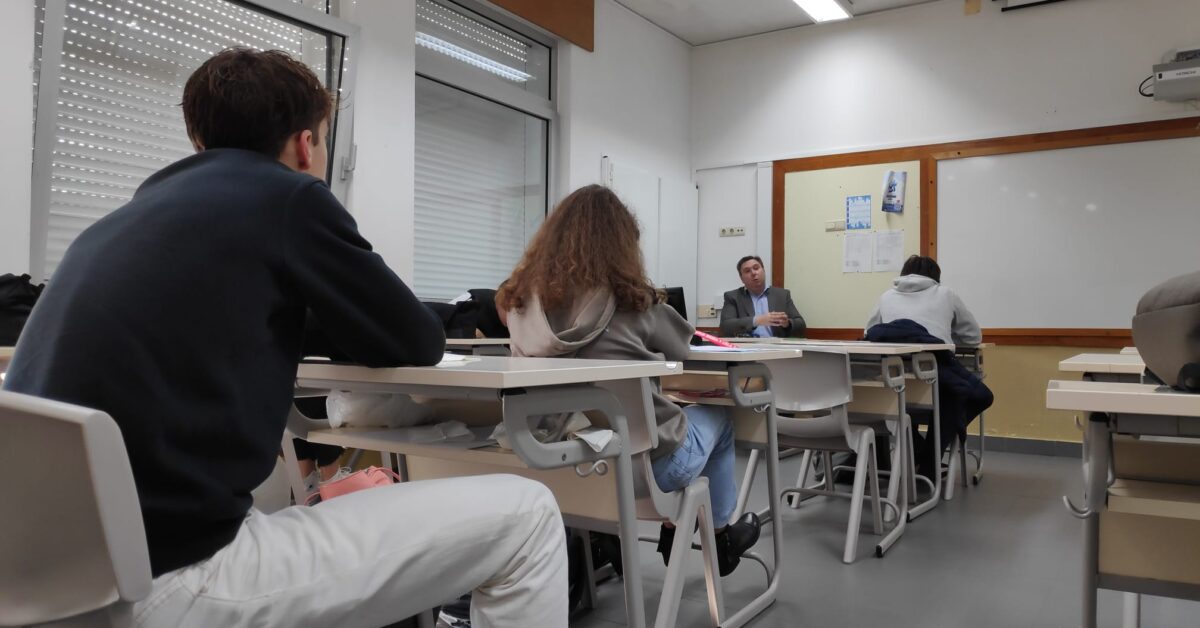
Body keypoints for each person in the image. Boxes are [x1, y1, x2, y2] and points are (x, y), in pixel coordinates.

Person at [3, 48, 566, 628]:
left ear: (199, 142)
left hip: (45, 586)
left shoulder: (111, 228)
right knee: (529, 515)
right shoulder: (288, 197)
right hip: (169, 580)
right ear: (305, 145)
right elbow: (416, 340)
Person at [497, 184, 761, 576]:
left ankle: (671, 528)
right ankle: (720, 539)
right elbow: (684, 347)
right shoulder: (636, 302)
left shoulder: (519, 306)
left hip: (556, 465)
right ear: (623, 245)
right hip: (645, 472)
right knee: (719, 418)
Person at [864, 255, 993, 480]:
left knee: (915, 406)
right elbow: (973, 337)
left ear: (903, 274)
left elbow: (870, 333)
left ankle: (920, 452)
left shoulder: (886, 296)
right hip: (935, 379)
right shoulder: (946, 294)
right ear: (935, 277)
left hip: (894, 384)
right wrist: (943, 336)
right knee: (968, 397)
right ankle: (930, 457)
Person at [719, 255, 806, 338]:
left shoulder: (782, 295)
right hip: (747, 345)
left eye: (756, 268)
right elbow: (725, 326)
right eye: (747, 271)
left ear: (763, 271)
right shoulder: (733, 297)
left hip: (776, 345)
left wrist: (787, 324)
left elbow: (800, 324)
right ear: (741, 278)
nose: (753, 273)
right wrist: (757, 320)